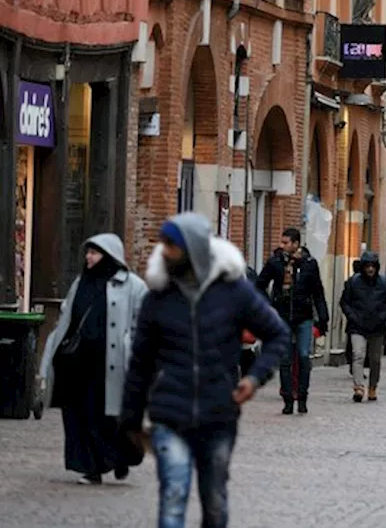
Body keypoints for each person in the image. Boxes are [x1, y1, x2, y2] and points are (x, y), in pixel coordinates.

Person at [121, 213, 289, 528]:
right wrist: (130, 420)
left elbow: (277, 333)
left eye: (172, 245)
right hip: (169, 414)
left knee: (214, 503)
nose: (164, 251)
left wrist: (255, 377)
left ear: (194, 249)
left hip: (218, 414)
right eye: (164, 244)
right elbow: (140, 362)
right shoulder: (158, 296)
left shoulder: (234, 290)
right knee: (173, 494)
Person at [41, 234, 148, 485]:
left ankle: (120, 458)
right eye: (88, 252)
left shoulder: (134, 286)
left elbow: (142, 325)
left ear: (110, 256)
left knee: (110, 418)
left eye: (94, 253)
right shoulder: (81, 282)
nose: (89, 257)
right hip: (78, 363)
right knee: (79, 415)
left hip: (112, 366)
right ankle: (90, 467)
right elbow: (68, 317)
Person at [257, 228, 329, 415]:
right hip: (282, 317)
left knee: (304, 356)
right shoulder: (275, 263)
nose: (283, 246)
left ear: (296, 244)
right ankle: (288, 398)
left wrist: (323, 318)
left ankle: (303, 397)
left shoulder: (309, 264)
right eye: (282, 242)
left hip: (304, 317)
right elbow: (259, 284)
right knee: (285, 359)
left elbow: (318, 292)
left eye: (286, 243)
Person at [339, 251, 386, 403]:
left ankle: (372, 386)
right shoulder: (353, 282)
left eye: (373, 266)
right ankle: (358, 387)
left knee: (375, 360)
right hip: (357, 325)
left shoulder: (384, 283)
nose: (370, 269)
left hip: (377, 326)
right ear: (363, 267)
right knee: (358, 355)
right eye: (367, 266)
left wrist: (383, 317)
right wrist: (352, 317)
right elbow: (344, 302)